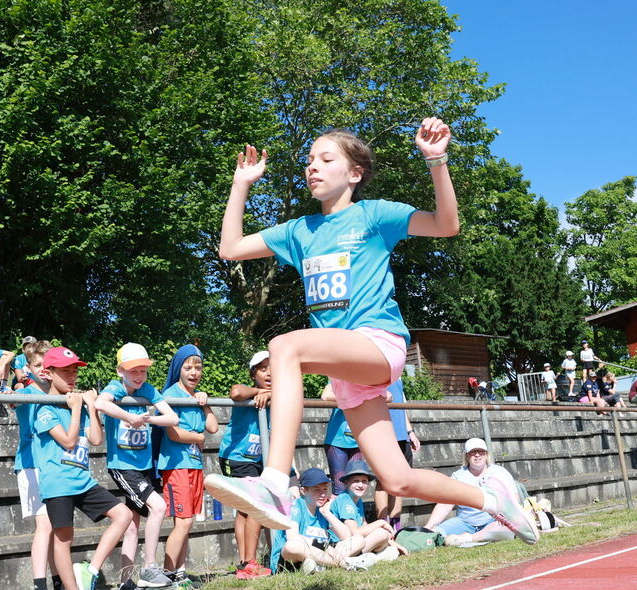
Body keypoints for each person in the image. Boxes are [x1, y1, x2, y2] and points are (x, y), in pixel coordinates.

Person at [206, 121, 543, 547]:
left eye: (326, 159)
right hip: (346, 372)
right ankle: (492, 499)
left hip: (378, 343)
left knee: (283, 346)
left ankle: (272, 482)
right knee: (397, 479)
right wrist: (241, 185)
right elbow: (230, 249)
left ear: (354, 174)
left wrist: (435, 160)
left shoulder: (374, 215)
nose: (312, 167)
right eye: (309, 161)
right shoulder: (299, 231)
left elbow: (446, 224)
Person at [31, 346, 135, 590]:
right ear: (49, 373)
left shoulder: (78, 404)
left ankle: (89, 571)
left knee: (123, 515)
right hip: (58, 483)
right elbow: (67, 441)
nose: (72, 376)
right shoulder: (44, 409)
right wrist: (77, 409)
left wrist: (91, 407)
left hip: (82, 480)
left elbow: (97, 439)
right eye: (66, 371)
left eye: (75, 371)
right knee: (63, 539)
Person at [94, 343, 180, 590]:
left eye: (143, 370)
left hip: (143, 468)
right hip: (123, 467)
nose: (139, 375)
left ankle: (125, 586)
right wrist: (129, 417)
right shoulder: (115, 387)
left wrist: (149, 418)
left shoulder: (149, 391)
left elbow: (172, 418)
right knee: (159, 507)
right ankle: (150, 567)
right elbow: (100, 403)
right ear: (121, 370)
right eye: (133, 370)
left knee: (132, 527)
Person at [157, 344, 219, 587]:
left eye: (198, 367)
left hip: (194, 465)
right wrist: (198, 437)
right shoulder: (171, 394)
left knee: (187, 522)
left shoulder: (197, 397)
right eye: (188, 367)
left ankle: (179, 574)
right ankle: (167, 576)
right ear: (178, 369)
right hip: (177, 465)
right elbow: (174, 434)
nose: (194, 372)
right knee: (182, 522)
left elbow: (213, 427)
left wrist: (204, 404)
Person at [12, 341, 63, 590]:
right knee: (44, 526)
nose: (43, 370)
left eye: (47, 365)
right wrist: (13, 379)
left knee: (56, 527)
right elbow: (11, 399)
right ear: (29, 367)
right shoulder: (27, 390)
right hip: (31, 465)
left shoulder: (57, 393)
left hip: (51, 465)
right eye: (37, 365)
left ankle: (59, 586)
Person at [218, 351, 273, 579]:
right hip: (237, 457)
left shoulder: (280, 394)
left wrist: (271, 394)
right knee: (254, 506)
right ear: (253, 374)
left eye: (272, 368)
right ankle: (249, 563)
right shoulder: (248, 391)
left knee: (244, 510)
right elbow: (236, 392)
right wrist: (261, 392)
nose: (269, 373)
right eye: (262, 369)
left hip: (258, 458)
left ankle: (244, 564)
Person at [424, 439, 537, 547]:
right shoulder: (457, 476)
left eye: (481, 452)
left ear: (486, 454)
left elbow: (514, 499)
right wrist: (429, 527)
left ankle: (470, 538)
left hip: (494, 521)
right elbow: (445, 504)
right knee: (435, 532)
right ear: (467, 456)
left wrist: (506, 518)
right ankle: (474, 536)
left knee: (509, 528)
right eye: (473, 452)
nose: (477, 455)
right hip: (464, 522)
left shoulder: (500, 472)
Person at [271, 468, 350, 573]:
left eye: (325, 489)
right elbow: (293, 538)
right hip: (289, 561)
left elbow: (347, 536)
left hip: (317, 554)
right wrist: (325, 547)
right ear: (303, 491)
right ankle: (342, 563)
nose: (322, 494)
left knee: (358, 540)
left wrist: (327, 513)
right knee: (292, 546)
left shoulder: (323, 509)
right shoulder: (296, 506)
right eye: (316, 490)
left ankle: (318, 566)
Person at [329, 459, 400, 569]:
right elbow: (355, 532)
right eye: (356, 481)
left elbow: (364, 525)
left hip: (354, 543)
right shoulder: (345, 500)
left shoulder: (357, 499)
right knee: (379, 534)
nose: (360, 485)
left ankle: (364, 558)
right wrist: (381, 522)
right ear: (346, 482)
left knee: (385, 539)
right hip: (339, 546)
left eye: (364, 481)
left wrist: (391, 542)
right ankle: (356, 559)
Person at [373, 377, 419, 529]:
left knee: (400, 481)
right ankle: (382, 525)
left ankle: (396, 526)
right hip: (383, 433)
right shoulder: (375, 371)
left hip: (401, 435)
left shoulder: (398, 376)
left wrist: (410, 432)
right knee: (383, 482)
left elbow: (402, 407)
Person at [321, 381, 361, 495]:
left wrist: (365, 397)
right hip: (337, 441)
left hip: (358, 441)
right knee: (340, 487)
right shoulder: (339, 376)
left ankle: (354, 512)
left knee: (356, 486)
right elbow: (325, 395)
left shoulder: (366, 379)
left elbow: (388, 396)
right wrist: (353, 398)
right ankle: (336, 513)